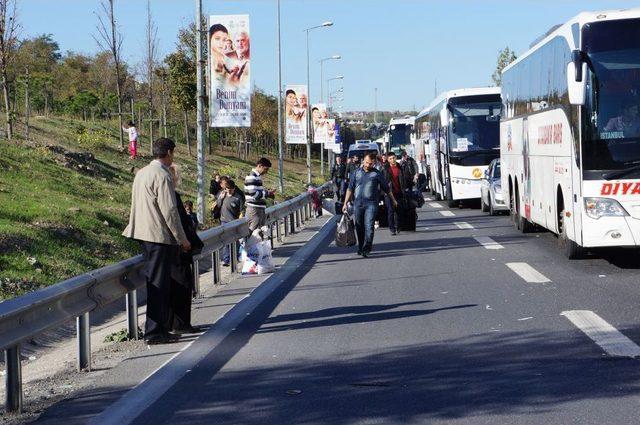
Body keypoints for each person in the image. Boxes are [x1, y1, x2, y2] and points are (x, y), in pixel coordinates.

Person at [122, 138, 190, 345]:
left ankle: (159, 328)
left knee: (157, 282)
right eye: (173, 153)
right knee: (159, 284)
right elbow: (169, 211)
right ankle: (153, 332)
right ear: (169, 152)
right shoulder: (163, 175)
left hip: (142, 233)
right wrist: (182, 239)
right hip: (158, 235)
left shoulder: (141, 173)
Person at [167, 164, 203, 335]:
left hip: (168, 247)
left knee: (176, 286)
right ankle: (180, 323)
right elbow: (177, 220)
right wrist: (184, 240)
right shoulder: (171, 195)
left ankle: (175, 322)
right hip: (178, 247)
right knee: (182, 284)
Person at [343, 153, 397, 257]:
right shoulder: (356, 173)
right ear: (363, 161)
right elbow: (350, 189)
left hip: (371, 204)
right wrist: (345, 203)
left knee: (369, 225)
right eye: (366, 162)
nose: (368, 165)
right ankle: (361, 246)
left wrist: (393, 200)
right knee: (359, 226)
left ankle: (367, 248)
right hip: (358, 204)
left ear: (374, 163)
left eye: (370, 164)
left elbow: (387, 189)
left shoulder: (377, 174)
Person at [217, 179, 245, 266]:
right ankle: (226, 259)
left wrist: (240, 219)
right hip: (224, 222)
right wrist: (220, 198)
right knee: (226, 242)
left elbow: (242, 210)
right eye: (228, 189)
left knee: (234, 241)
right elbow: (218, 205)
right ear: (225, 189)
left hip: (234, 222)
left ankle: (235, 257)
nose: (230, 191)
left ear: (234, 189)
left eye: (231, 190)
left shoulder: (238, 197)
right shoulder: (222, 195)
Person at [244, 157, 275, 231]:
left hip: (258, 208)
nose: (266, 172)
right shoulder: (252, 176)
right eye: (265, 169)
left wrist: (267, 192)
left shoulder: (257, 177)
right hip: (254, 209)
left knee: (259, 232)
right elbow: (254, 194)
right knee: (254, 233)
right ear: (259, 166)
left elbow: (257, 192)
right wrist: (268, 193)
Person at [382, 152, 407, 236]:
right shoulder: (385, 168)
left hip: (399, 192)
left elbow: (404, 179)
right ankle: (392, 228)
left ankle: (398, 226)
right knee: (390, 210)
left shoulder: (400, 167)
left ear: (396, 158)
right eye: (390, 159)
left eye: (393, 158)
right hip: (389, 193)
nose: (392, 160)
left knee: (399, 210)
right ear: (388, 160)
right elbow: (382, 181)